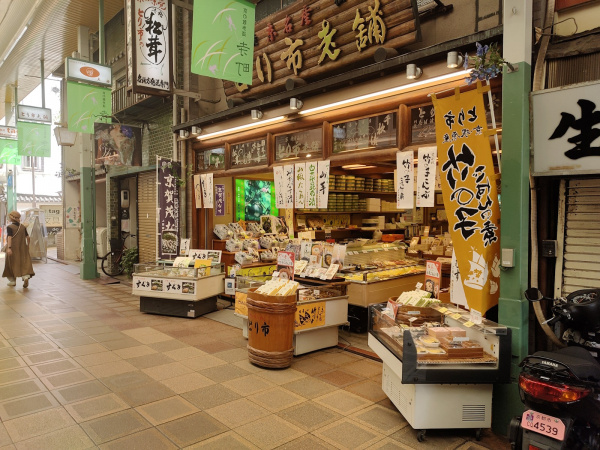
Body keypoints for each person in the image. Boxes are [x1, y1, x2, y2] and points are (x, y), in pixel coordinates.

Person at [2, 211, 34, 287]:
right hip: (23, 247)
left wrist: (9, 248)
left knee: (11, 264)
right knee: (24, 262)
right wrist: (28, 246)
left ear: (11, 218)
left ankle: (12, 281)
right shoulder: (23, 227)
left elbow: (9, 237)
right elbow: (28, 237)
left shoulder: (10, 227)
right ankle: (25, 277)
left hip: (13, 248)